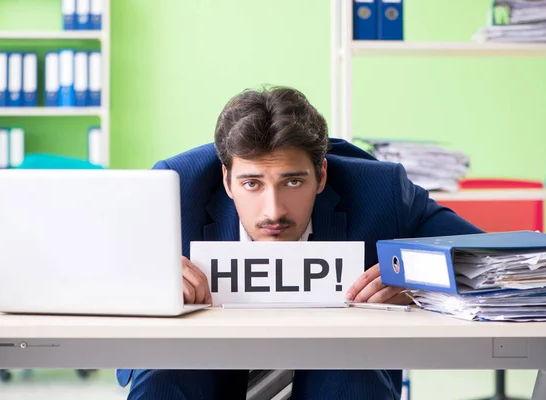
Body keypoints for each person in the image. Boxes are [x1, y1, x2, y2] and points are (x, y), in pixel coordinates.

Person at [116, 86, 482, 399]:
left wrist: (416, 278)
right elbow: (99, 264)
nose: (273, 211)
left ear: (322, 174)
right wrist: (151, 278)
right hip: (203, 367)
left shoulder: (380, 190)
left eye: (292, 182)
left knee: (354, 373)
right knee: (164, 371)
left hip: (337, 368)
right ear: (226, 181)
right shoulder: (176, 186)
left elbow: (487, 256)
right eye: (252, 184)